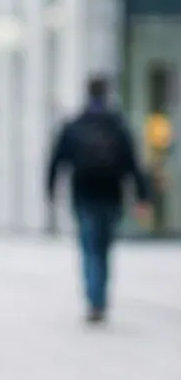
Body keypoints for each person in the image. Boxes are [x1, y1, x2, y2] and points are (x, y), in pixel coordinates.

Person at [48, 75, 150, 322]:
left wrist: (50, 190)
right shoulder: (117, 125)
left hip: (83, 192)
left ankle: (94, 300)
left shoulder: (75, 124)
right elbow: (133, 162)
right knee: (104, 249)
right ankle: (101, 297)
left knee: (89, 247)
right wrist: (143, 195)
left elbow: (57, 159)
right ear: (107, 93)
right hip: (112, 193)